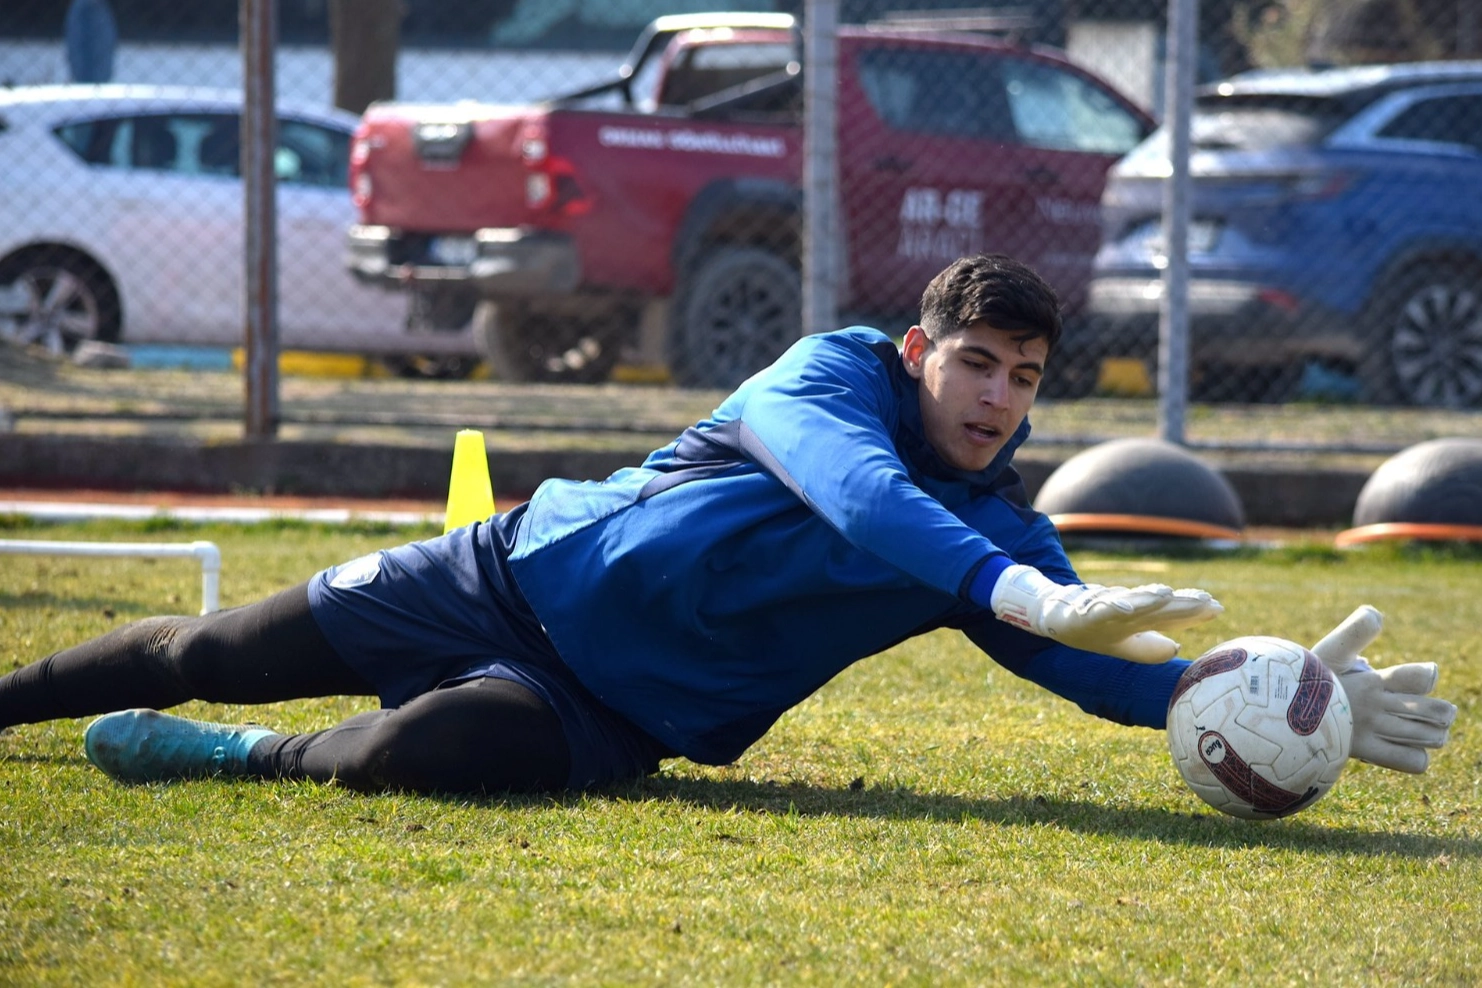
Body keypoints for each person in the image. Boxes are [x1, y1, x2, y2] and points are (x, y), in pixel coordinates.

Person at [0, 254, 1456, 794]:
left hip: (606, 710)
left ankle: (234, 762)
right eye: (977, 364)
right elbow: (857, 497)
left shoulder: (996, 526)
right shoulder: (816, 377)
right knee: (206, 642)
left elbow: (1090, 658)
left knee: (418, 754)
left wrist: (1253, 695)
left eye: (1024, 377)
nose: (1000, 397)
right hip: (500, 575)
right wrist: (1012, 592)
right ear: (912, 350)